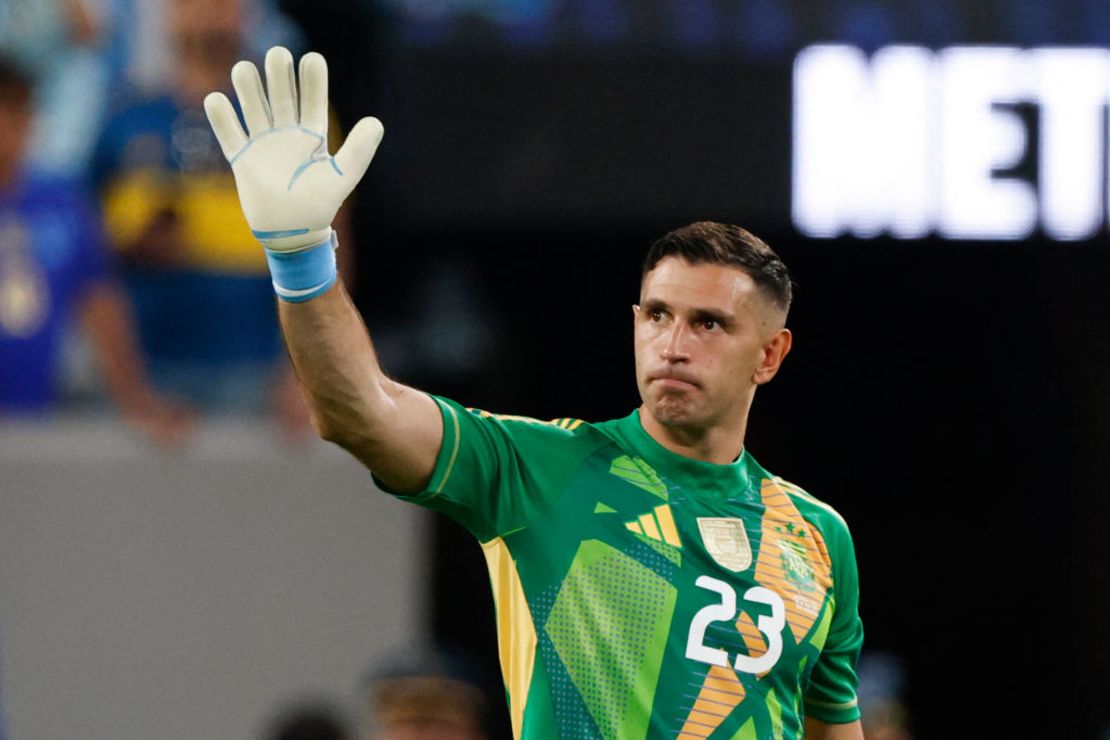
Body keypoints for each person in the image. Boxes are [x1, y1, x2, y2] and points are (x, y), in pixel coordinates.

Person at [204, 46, 864, 739]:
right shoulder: (541, 468)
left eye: (709, 324)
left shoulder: (819, 540)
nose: (674, 344)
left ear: (770, 354)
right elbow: (358, 412)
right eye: (659, 316)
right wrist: (301, 256)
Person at [0, 54, 188, 442]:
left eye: (15, 111)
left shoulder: (63, 204)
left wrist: (136, 399)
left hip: (34, 420)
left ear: (32, 119)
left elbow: (101, 307)